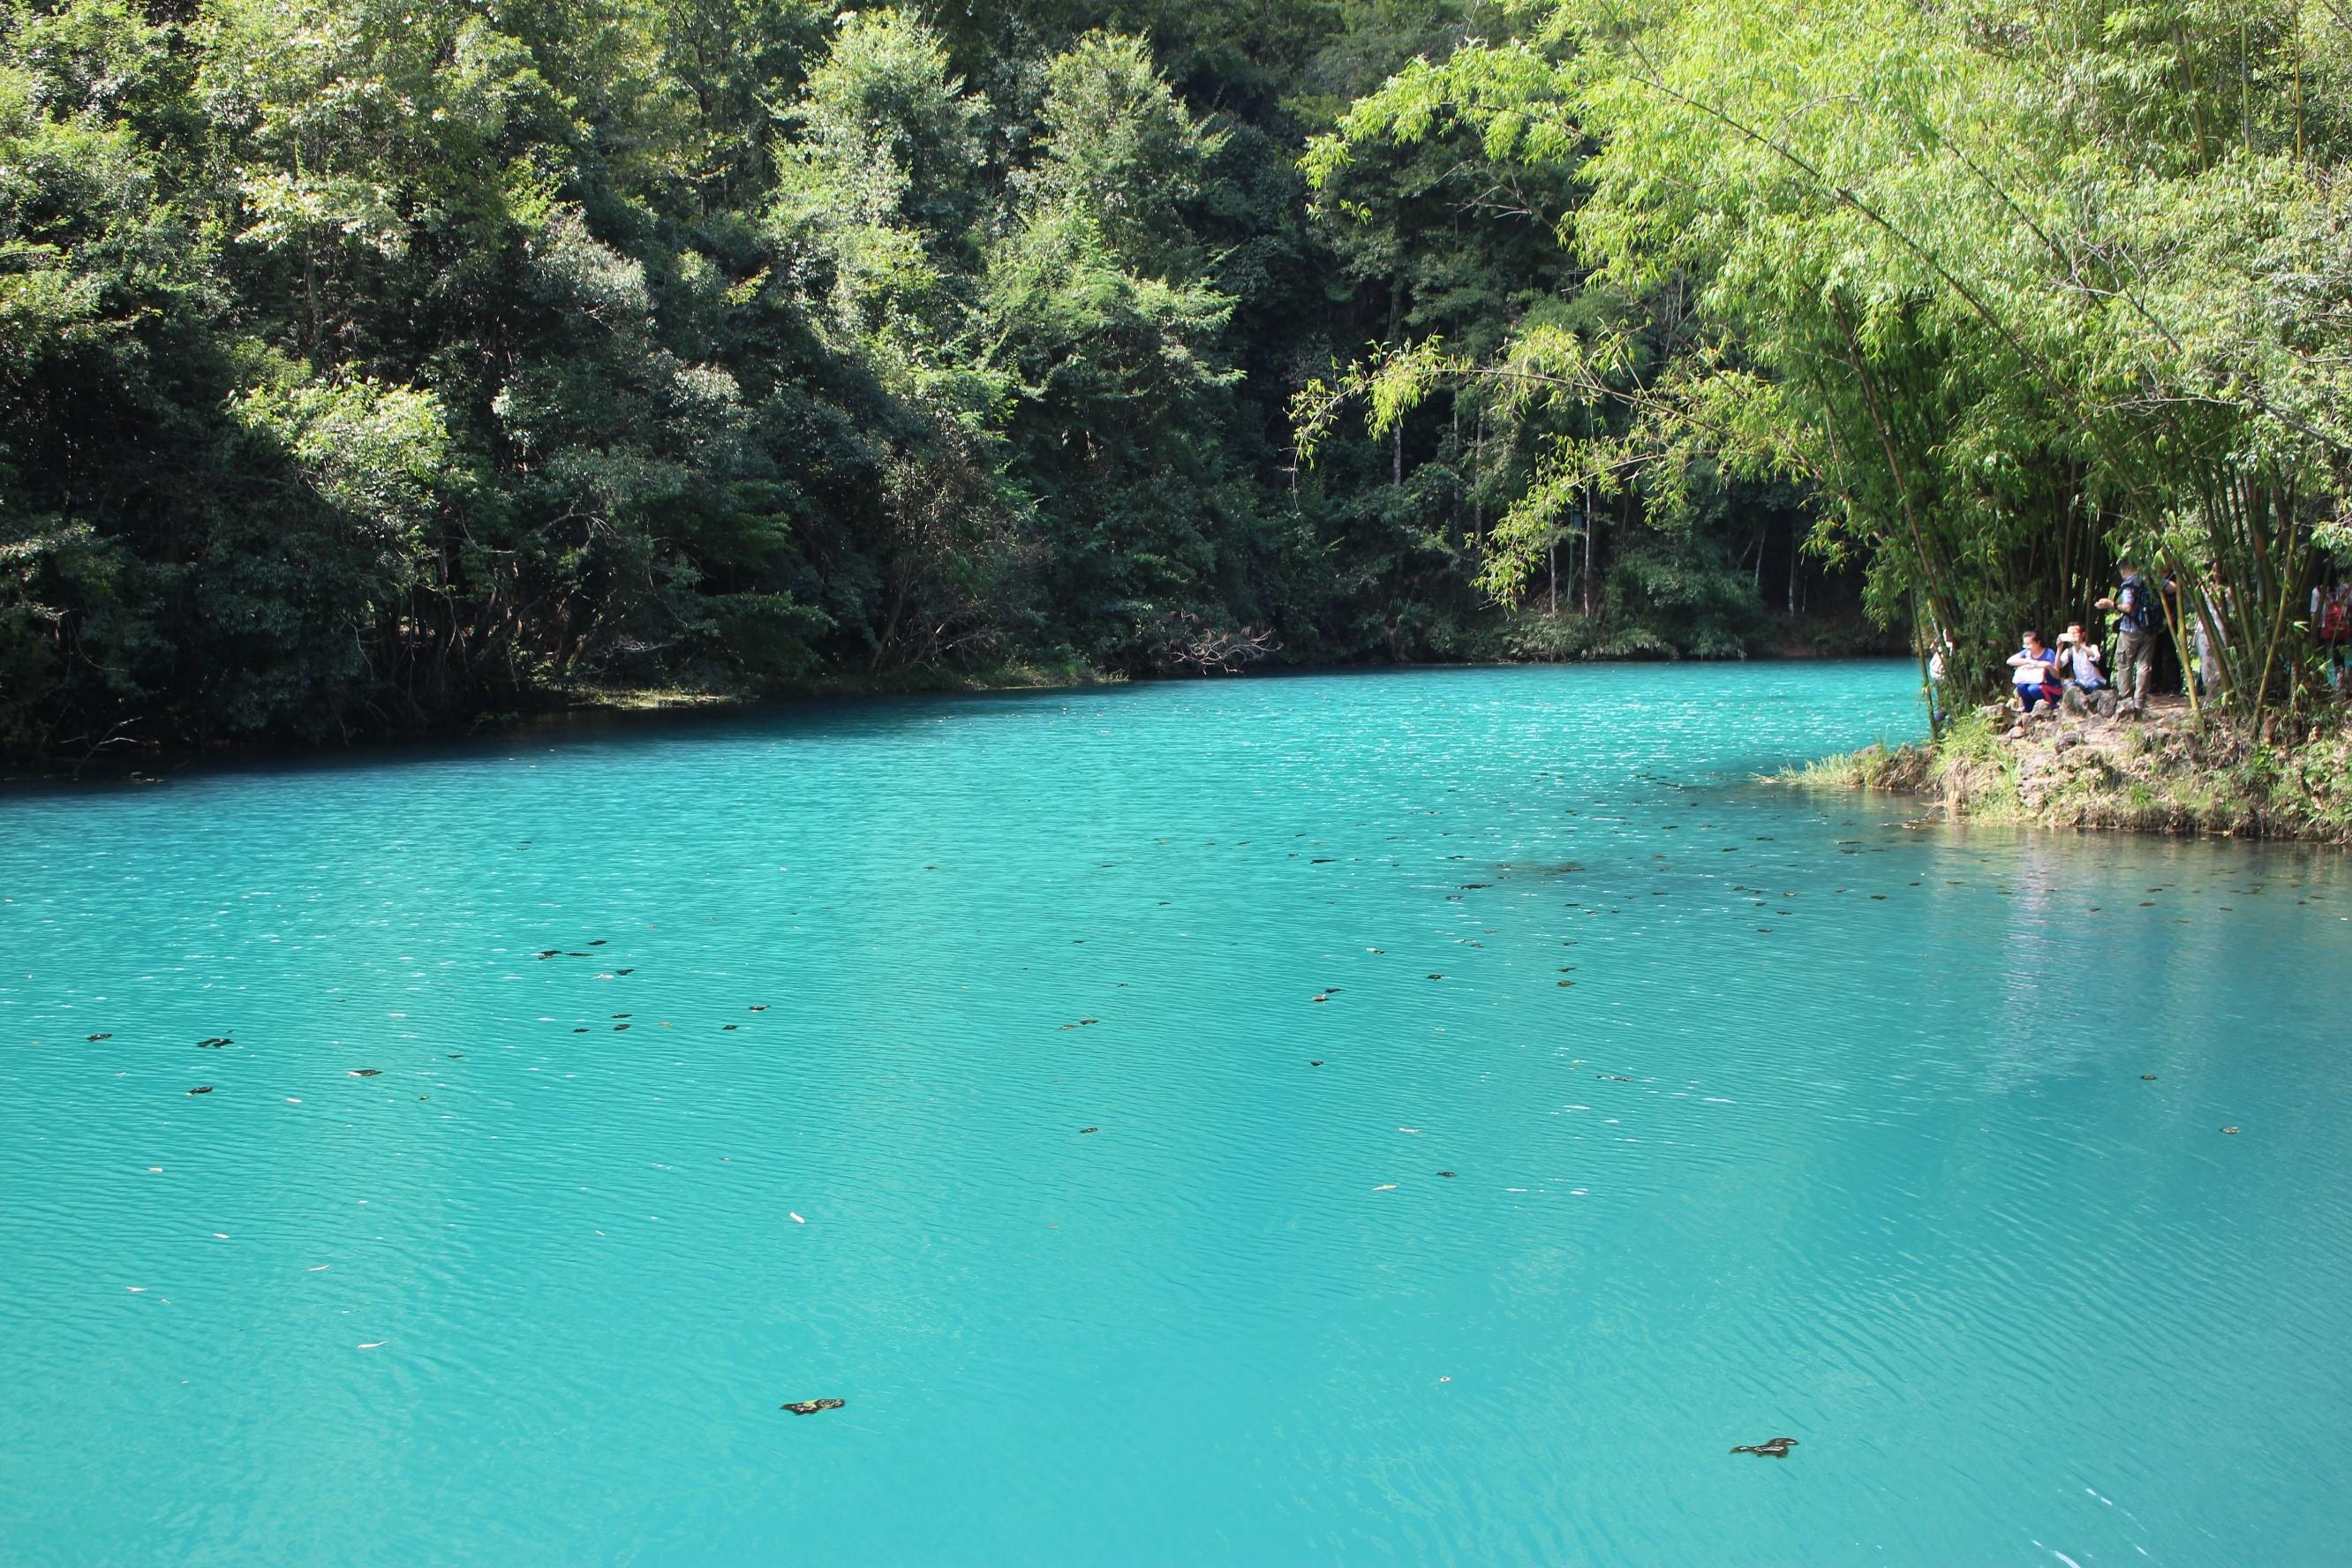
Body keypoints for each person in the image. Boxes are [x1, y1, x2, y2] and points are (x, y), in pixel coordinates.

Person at [2096, 565, 2159, 712]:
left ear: (2125, 569)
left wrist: (2111, 604)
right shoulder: (2149, 580)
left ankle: (2126, 701)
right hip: (2149, 629)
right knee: (2144, 666)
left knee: (2124, 664)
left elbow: (2128, 607)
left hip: (2130, 631)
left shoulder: (2129, 584)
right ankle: (2140, 701)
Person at [2007, 629, 2063, 714]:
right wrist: (2029, 661)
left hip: (2051, 687)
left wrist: (2049, 666)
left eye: (2029, 644)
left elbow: (2057, 675)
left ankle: (2049, 706)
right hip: (2032, 683)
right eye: (2025, 645)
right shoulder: (2027, 653)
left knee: (2033, 689)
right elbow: (2010, 661)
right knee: (2021, 687)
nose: (2027, 647)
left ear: (2038, 642)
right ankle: (2029, 709)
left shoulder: (2048, 653)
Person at [2054, 622, 2105, 712]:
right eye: (2069, 634)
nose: (2072, 636)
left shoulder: (2091, 647)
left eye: (2074, 633)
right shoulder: (2069, 651)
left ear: (2083, 634)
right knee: (2069, 686)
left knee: (2095, 687)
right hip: (2080, 683)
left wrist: (2081, 645)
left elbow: (2096, 656)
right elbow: (2058, 665)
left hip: (2095, 682)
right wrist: (2059, 648)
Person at [2314, 578, 2350, 690]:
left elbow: (2314, 613)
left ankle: (2325, 684)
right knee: (2340, 655)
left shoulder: (2317, 591)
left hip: (2324, 627)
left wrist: (2313, 632)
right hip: (2340, 627)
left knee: (2322, 656)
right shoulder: (2344, 588)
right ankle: (2341, 682)